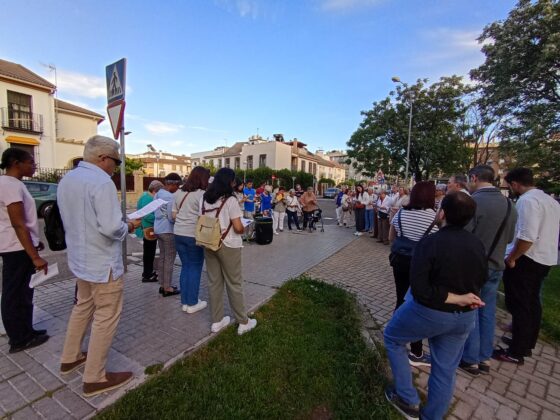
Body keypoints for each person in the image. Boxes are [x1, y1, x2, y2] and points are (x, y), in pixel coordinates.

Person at [384, 192, 487, 420]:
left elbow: (420, 289)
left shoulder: (430, 243)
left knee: (392, 338)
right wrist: (464, 298)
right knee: (445, 368)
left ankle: (407, 398)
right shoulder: (477, 244)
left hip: (430, 312)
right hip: (464, 317)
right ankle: (433, 415)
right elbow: (482, 278)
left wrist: (455, 298)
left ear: (442, 214)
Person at [58, 135, 141, 396]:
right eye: (116, 161)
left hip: (81, 260)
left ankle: (70, 357)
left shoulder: (68, 179)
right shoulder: (102, 182)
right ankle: (95, 377)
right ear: (103, 158)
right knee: (106, 316)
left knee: (83, 307)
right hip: (103, 264)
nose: (116, 167)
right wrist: (129, 226)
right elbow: (111, 228)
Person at [492, 168, 560, 365]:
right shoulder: (550, 201)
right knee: (532, 302)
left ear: (515, 184)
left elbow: (527, 236)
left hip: (527, 258)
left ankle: (516, 351)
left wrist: (513, 257)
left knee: (519, 304)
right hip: (545, 257)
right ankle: (526, 341)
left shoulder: (527, 201)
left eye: (509, 186)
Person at [459, 165, 517, 376]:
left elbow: (462, 235)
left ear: (474, 178)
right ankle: (485, 357)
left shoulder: (473, 202)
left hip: (473, 266)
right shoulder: (509, 205)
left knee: (471, 309)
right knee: (487, 312)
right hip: (496, 265)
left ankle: (470, 359)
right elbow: (509, 239)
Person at [0, 148, 49, 353]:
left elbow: (25, 223)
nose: (34, 165)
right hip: (15, 248)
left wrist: (35, 242)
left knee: (25, 291)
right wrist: (35, 256)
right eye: (30, 162)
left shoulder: (15, 184)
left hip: (21, 246)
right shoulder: (9, 185)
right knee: (15, 293)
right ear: (15, 163)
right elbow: (18, 223)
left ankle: (27, 331)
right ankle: (18, 339)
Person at [201, 168, 257, 335]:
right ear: (229, 182)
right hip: (229, 244)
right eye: (233, 181)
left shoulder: (205, 198)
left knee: (214, 282)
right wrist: (242, 227)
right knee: (234, 283)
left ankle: (217, 321)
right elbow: (238, 227)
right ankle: (243, 321)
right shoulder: (230, 200)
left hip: (209, 242)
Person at [388, 181, 439, 366]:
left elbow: (391, 238)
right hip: (421, 267)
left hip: (400, 262)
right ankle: (416, 351)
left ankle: (394, 336)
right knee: (417, 304)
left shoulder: (402, 213)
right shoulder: (435, 218)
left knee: (400, 298)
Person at [173, 166, 210, 314]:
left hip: (178, 233)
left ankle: (185, 302)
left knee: (185, 267)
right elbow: (205, 216)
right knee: (195, 268)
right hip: (193, 235)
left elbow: (173, 215)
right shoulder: (202, 194)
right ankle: (192, 303)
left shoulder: (179, 192)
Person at [155, 173, 182, 297]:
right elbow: (172, 217)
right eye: (178, 185)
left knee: (162, 257)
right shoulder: (170, 197)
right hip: (168, 230)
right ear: (173, 184)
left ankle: (162, 284)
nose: (178, 188)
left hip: (158, 228)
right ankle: (167, 287)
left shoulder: (158, 194)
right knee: (169, 259)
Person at [137, 180, 164, 283]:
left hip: (148, 228)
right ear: (155, 191)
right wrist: (160, 218)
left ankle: (148, 272)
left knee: (149, 252)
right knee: (149, 253)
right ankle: (147, 275)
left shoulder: (145, 196)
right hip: (148, 229)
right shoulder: (148, 198)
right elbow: (147, 215)